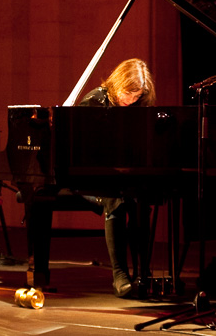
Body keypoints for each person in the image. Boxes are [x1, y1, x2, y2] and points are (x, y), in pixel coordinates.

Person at [78, 58, 156, 297]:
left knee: (142, 201)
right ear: (117, 83)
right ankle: (119, 274)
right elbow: (80, 151)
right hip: (87, 177)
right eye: (128, 93)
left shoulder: (137, 107)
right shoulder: (94, 102)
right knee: (118, 201)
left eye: (137, 95)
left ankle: (143, 271)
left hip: (119, 177)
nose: (131, 99)